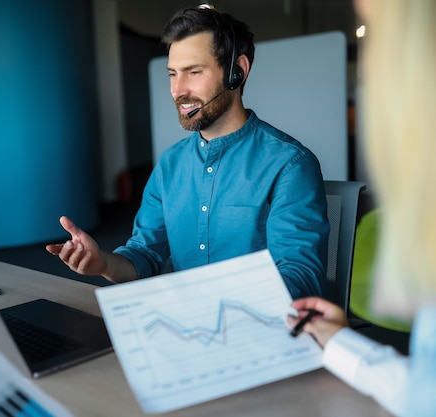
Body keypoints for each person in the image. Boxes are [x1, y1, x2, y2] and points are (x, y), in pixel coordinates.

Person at [46, 4, 329, 299]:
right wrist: (103, 262)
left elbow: (299, 277)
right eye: (172, 74)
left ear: (237, 72)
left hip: (259, 330)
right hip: (186, 327)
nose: (178, 90)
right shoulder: (170, 164)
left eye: (193, 72)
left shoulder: (290, 164)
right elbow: (144, 255)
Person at [288, 1, 436, 416]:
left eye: (373, 33)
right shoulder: (172, 165)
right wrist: (339, 340)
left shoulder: (289, 162)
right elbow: (425, 393)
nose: (365, 66)